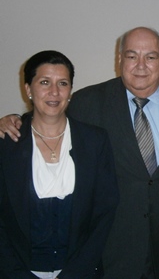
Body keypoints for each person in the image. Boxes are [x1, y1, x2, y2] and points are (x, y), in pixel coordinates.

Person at [0, 27, 159, 278]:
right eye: (132, 56)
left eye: (150, 57)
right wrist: (14, 121)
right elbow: (50, 113)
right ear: (119, 60)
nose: (141, 65)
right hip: (110, 247)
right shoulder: (88, 101)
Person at [0, 50, 119, 278]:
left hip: (80, 272)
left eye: (62, 83)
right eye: (44, 82)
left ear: (70, 91)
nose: (54, 92)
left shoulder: (95, 141)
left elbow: (104, 213)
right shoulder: (6, 144)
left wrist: (76, 272)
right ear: (28, 89)